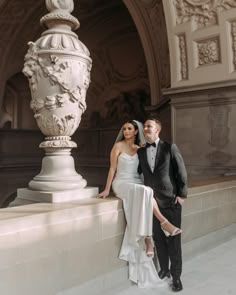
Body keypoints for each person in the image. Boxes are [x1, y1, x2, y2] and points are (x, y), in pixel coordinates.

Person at [97, 120, 182, 288]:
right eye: (124, 129)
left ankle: (151, 237)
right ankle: (159, 229)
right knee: (146, 191)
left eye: (129, 128)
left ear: (136, 131)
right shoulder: (118, 147)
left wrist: (179, 192)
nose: (126, 131)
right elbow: (112, 169)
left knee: (146, 190)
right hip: (122, 183)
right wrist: (107, 189)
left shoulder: (140, 149)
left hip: (137, 184)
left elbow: (150, 170)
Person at [137, 118, 187, 292]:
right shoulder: (141, 152)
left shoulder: (169, 148)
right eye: (144, 127)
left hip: (171, 201)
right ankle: (164, 269)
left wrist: (182, 195)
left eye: (149, 126)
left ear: (157, 130)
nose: (146, 129)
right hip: (152, 203)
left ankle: (176, 277)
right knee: (158, 239)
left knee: (174, 241)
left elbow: (181, 171)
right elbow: (138, 173)